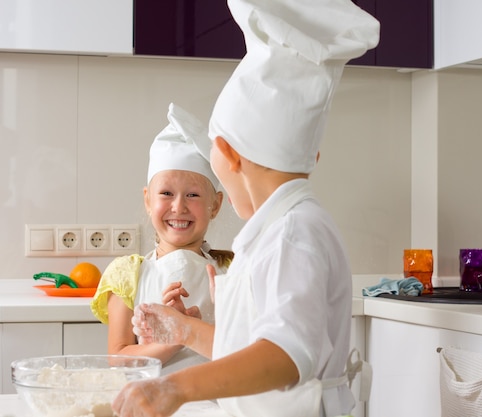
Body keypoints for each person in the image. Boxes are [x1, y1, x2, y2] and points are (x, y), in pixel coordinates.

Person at [112, 1, 379, 416]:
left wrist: (175, 388)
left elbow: (284, 357)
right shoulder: (278, 229)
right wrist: (184, 330)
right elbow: (250, 347)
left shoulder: (293, 233)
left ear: (227, 155)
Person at [91, 103, 233, 373]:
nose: (179, 207)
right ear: (147, 199)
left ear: (215, 205)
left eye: (193, 195)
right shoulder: (127, 275)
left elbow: (246, 350)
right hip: (150, 407)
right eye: (166, 193)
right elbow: (119, 357)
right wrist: (177, 337)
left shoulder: (231, 270)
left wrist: (186, 328)